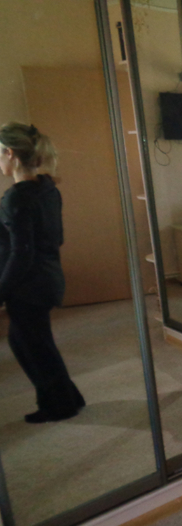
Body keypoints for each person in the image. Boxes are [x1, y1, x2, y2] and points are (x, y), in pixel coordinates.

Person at [0, 122, 85, 423]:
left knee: (32, 345)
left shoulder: (17, 196)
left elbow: (21, 253)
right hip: (46, 278)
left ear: (10, 153)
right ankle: (69, 397)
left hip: (29, 285)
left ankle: (59, 406)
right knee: (30, 342)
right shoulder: (47, 188)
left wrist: (1, 291)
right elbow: (53, 238)